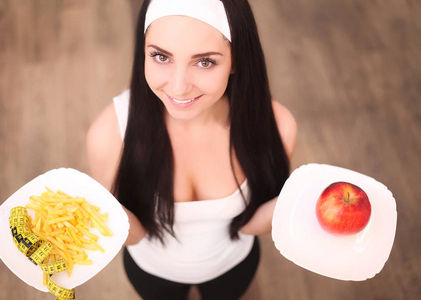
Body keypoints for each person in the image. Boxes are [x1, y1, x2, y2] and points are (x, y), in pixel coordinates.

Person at [87, 0, 297, 299]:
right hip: (151, 272)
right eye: (161, 56)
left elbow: (249, 225)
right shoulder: (109, 134)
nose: (179, 87)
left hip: (233, 266)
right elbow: (133, 234)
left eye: (205, 61)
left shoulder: (277, 126)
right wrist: (95, 214)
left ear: (236, 59)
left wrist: (302, 205)